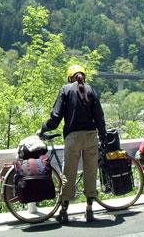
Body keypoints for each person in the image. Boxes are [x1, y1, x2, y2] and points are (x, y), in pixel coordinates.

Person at [37, 64, 107, 223]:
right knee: (91, 172)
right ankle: (89, 209)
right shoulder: (91, 91)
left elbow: (56, 116)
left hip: (73, 138)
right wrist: (102, 136)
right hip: (91, 136)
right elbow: (100, 117)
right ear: (84, 76)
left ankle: (64, 210)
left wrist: (44, 128)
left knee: (69, 173)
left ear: (70, 77)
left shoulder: (66, 90)